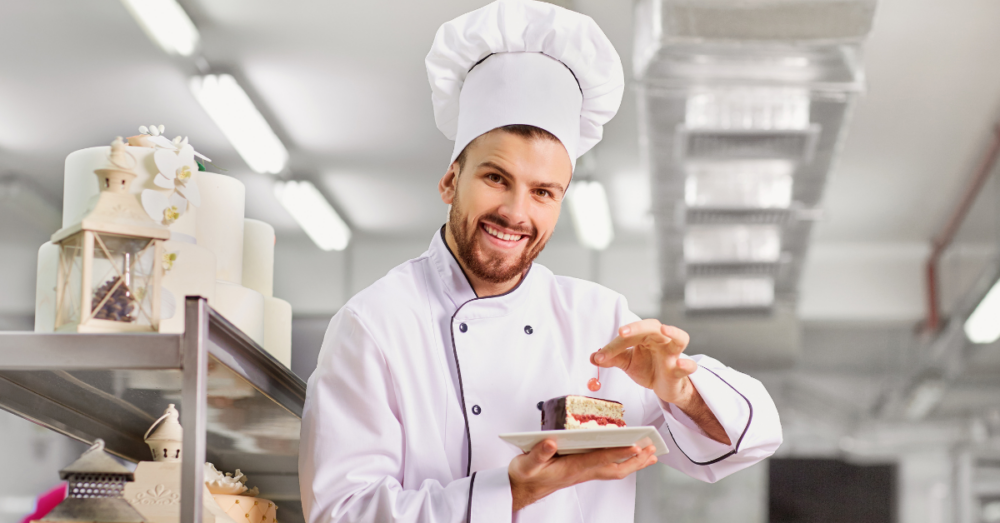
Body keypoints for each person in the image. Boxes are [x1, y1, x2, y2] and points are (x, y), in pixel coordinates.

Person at [299, 1, 783, 521]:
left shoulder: (599, 321)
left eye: (543, 192)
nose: (515, 212)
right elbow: (339, 513)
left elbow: (750, 441)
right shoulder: (376, 324)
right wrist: (509, 491)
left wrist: (681, 391)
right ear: (449, 181)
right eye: (495, 178)